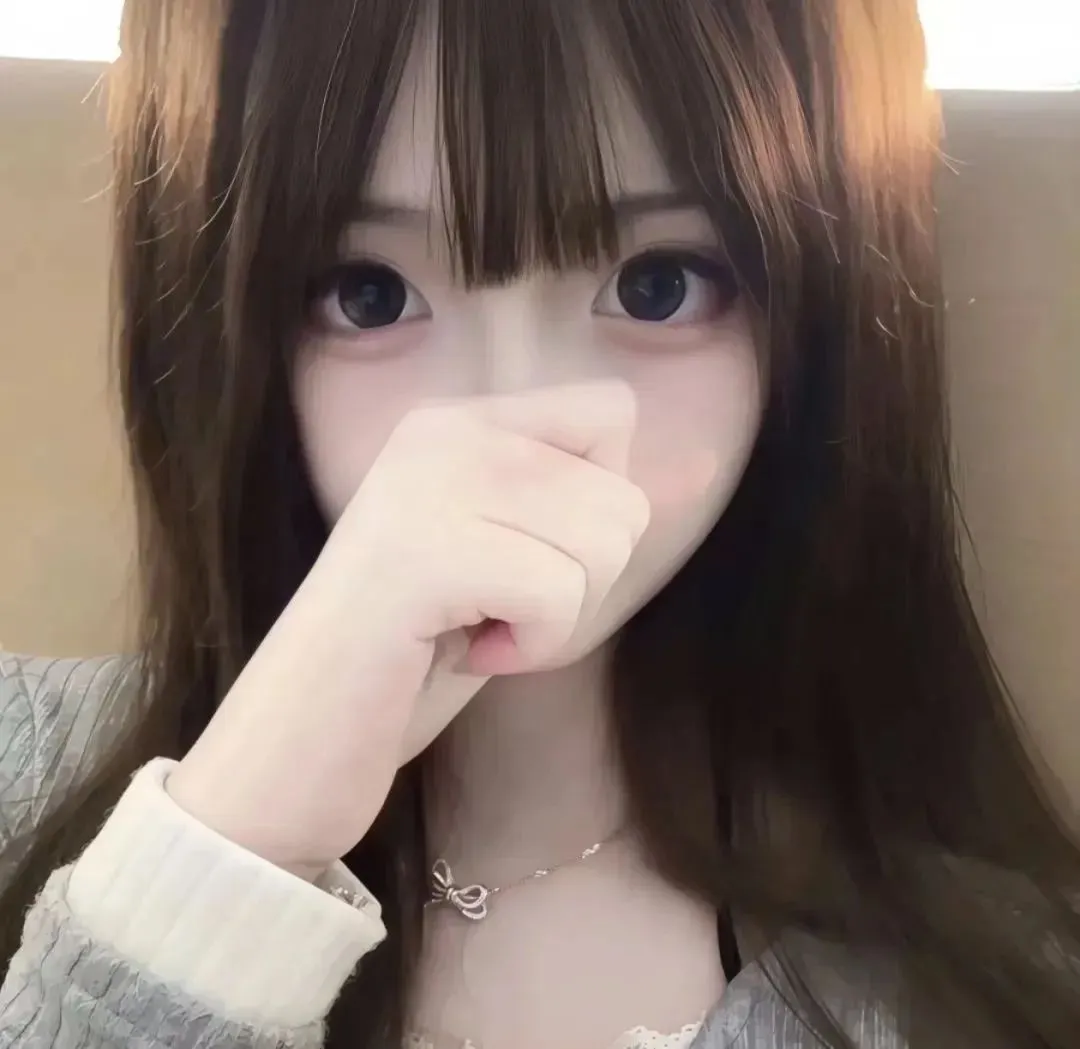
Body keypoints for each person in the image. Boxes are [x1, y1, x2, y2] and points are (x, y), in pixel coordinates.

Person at [0, 1, 1077, 1047]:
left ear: (816, 322)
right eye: (369, 293)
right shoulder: (20, 760)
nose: (515, 417)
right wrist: (228, 848)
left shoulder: (979, 987)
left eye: (657, 286)